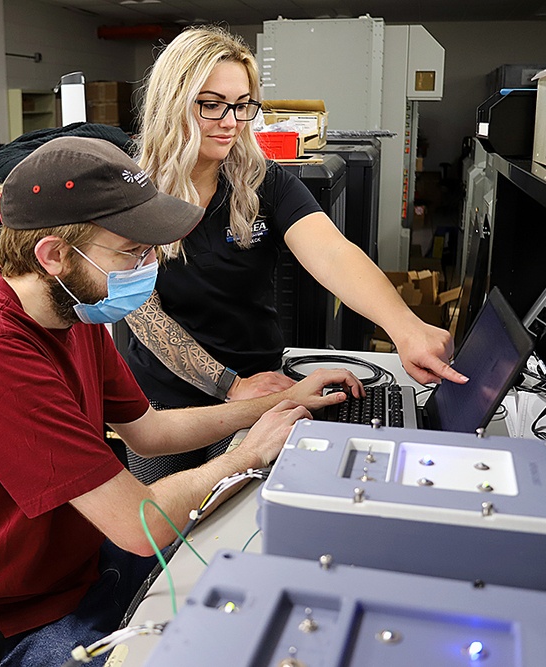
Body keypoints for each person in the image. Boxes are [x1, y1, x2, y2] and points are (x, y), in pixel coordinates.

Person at [0, 136, 361, 667]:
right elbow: (140, 526)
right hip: (0, 622)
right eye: (132, 251)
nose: (148, 266)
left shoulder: (74, 310)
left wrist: (271, 404)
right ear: (53, 256)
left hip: (75, 572)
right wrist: (247, 456)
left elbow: (151, 431)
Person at [123, 26, 468, 483]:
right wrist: (230, 386)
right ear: (173, 103)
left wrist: (405, 329)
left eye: (242, 105)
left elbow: (332, 252)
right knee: (166, 534)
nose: (230, 121)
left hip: (257, 387)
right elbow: (142, 314)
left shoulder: (265, 182)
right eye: (210, 104)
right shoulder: (131, 191)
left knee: (235, 518)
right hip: (165, 402)